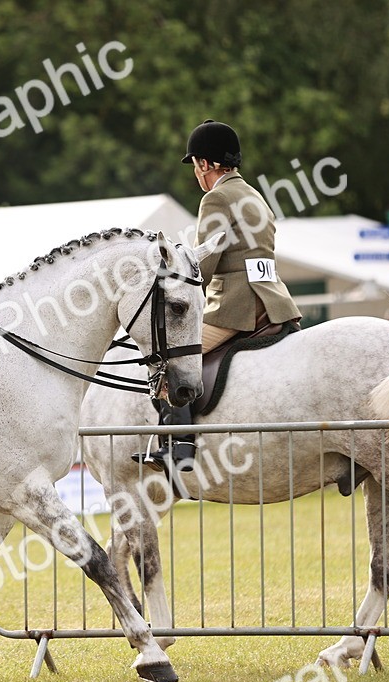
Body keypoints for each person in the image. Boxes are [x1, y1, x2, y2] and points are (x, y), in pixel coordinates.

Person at [138, 119, 302, 472]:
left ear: (206, 164)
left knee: (172, 357)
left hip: (237, 307)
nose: (196, 174)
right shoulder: (254, 195)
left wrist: (171, 276)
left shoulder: (216, 198)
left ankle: (179, 447)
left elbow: (204, 267)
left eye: (196, 165)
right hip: (274, 302)